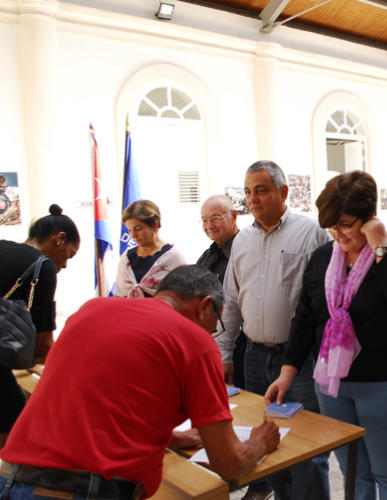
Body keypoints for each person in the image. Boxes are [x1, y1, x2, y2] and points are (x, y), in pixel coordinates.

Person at [0, 265, 280, 499]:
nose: (211, 334)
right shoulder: (194, 341)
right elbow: (229, 463)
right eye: (214, 326)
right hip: (87, 489)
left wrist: (172, 438)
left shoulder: (92, 309)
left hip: (12, 478)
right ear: (205, 306)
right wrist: (259, 443)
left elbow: (102, 401)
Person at [266, 171, 387, 500]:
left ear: (370, 216)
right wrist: (288, 371)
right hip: (333, 384)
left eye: (345, 225)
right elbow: (305, 317)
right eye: (331, 227)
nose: (337, 234)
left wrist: (380, 247)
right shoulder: (324, 257)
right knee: (354, 470)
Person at [217, 160, 330, 500]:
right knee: (270, 445)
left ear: (283, 192)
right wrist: (225, 354)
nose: (253, 199)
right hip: (254, 358)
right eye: (248, 192)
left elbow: (326, 299)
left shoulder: (311, 233)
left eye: (261, 191)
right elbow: (231, 300)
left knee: (308, 449)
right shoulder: (242, 240)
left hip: (300, 361)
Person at [0, 204, 80, 448]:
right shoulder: (43, 266)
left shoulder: (3, 246)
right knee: (15, 433)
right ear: (59, 238)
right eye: (69, 255)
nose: (65, 265)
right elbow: (44, 347)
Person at [196, 194, 246, 389]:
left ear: (234, 216)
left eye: (215, 218)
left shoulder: (245, 251)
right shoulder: (208, 255)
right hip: (209, 344)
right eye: (204, 220)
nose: (209, 225)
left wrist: (226, 355)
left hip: (237, 349)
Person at [114, 199, 187, 297]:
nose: (133, 235)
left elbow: (184, 296)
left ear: (155, 225)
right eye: (130, 230)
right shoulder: (127, 257)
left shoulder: (174, 258)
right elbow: (118, 295)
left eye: (138, 228)